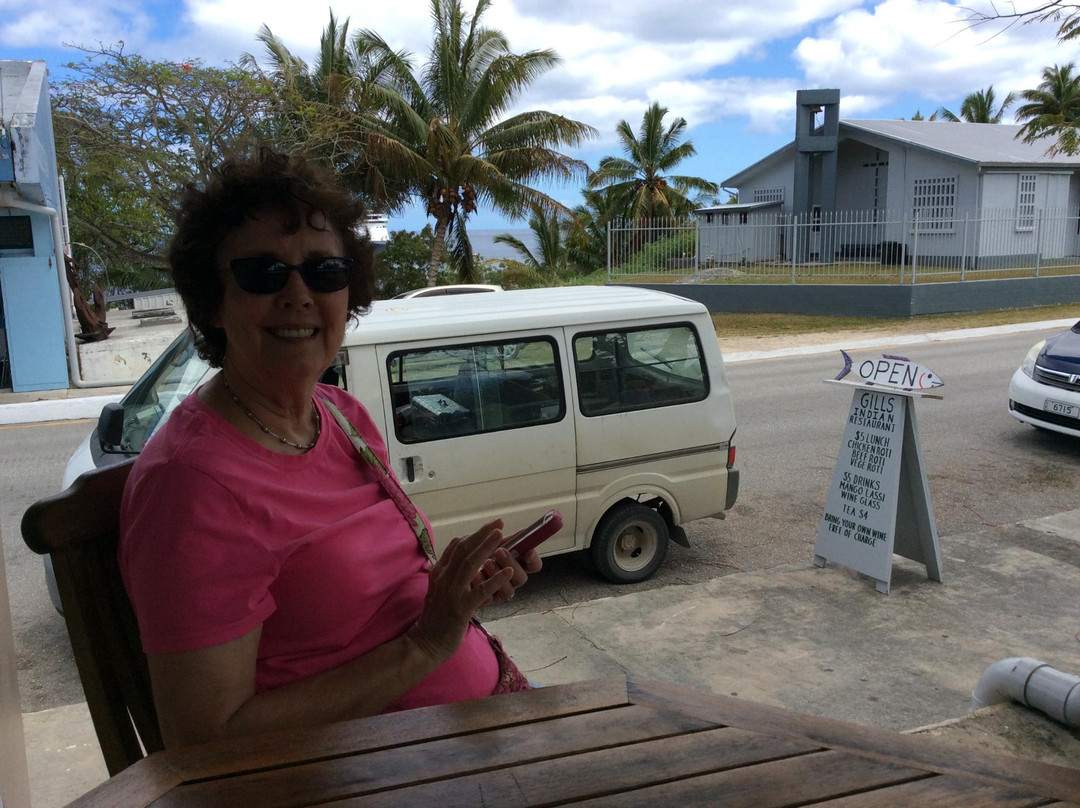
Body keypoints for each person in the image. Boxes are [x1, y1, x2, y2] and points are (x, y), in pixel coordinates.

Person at [118, 148, 541, 748]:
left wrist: (459, 591)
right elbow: (207, 738)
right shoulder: (190, 484)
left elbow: (379, 597)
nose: (298, 295)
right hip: (377, 773)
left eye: (324, 273)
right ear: (212, 300)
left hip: (477, 717)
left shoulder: (341, 417)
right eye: (263, 274)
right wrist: (427, 645)